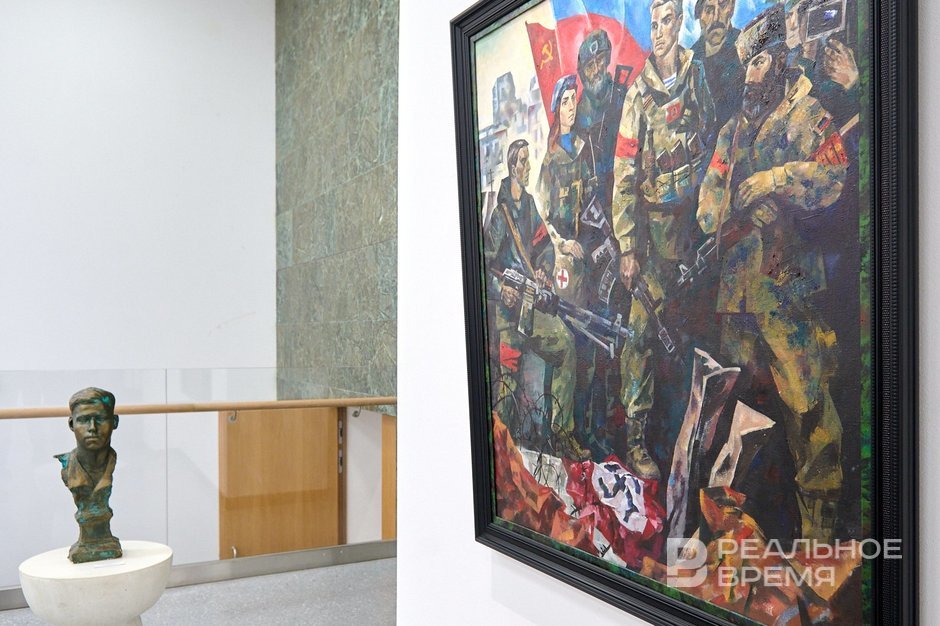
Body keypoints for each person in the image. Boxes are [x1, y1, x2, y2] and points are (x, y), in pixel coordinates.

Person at [696, 6, 847, 541]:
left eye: (758, 63)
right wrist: (731, 203)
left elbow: (832, 178)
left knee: (809, 416)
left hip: (789, 294)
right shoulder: (733, 131)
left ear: (780, 61)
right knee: (740, 417)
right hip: (739, 297)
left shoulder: (810, 114)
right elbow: (707, 206)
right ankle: (739, 536)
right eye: (746, 66)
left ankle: (819, 541)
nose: (750, 76)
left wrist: (774, 181)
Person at [610, 0, 716, 480]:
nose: (658, 31)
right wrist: (628, 247)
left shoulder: (696, 75)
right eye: (652, 24)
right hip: (653, 236)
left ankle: (698, 439)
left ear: (680, 24)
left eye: (667, 21)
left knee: (696, 332)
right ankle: (636, 438)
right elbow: (623, 175)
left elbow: (711, 138)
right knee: (641, 334)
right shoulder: (637, 96)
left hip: (695, 226)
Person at [485, 139, 588, 461]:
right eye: (523, 162)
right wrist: (501, 288)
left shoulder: (529, 206)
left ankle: (560, 435)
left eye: (529, 161)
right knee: (506, 383)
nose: (528, 167)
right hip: (508, 313)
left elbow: (544, 246)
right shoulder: (499, 214)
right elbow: (483, 264)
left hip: (531, 306)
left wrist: (543, 269)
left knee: (565, 345)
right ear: (512, 167)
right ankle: (501, 453)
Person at [55, 387, 123, 563]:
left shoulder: (112, 463)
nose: (92, 428)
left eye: (100, 419)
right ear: (71, 424)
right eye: (84, 420)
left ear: (115, 422)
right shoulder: (68, 467)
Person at [691, 0, 744, 136]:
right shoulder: (689, 60)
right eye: (708, 10)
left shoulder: (745, 48)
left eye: (722, 5)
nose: (716, 18)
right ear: (699, 15)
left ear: (732, 7)